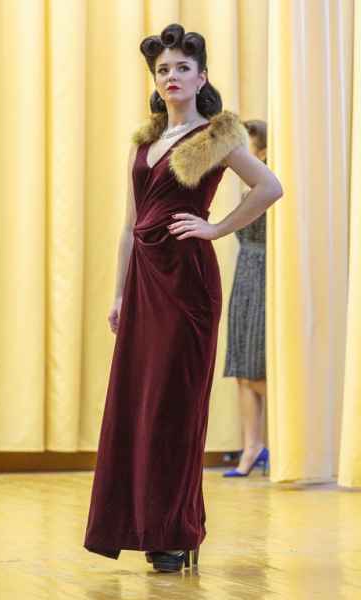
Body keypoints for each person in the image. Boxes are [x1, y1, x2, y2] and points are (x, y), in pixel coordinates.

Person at [84, 23, 283, 573]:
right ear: (156, 80)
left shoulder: (216, 136)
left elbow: (270, 187)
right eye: (163, 70)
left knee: (174, 406)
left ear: (201, 78)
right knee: (137, 403)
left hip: (187, 284)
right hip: (144, 284)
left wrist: (215, 228)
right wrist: (118, 292)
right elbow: (130, 225)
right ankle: (138, 525)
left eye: (181, 68)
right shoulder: (144, 143)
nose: (171, 76)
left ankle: (174, 530)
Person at [222, 120, 269, 478]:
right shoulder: (251, 182)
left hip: (264, 273)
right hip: (246, 272)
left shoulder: (269, 182)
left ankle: (275, 445)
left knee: (257, 369)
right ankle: (252, 447)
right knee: (242, 367)